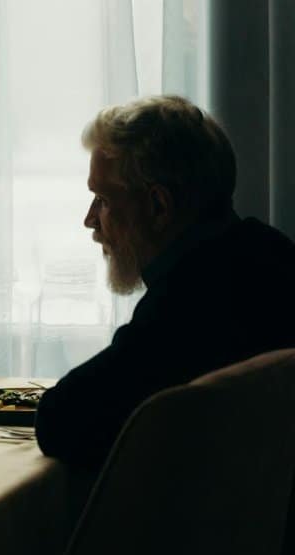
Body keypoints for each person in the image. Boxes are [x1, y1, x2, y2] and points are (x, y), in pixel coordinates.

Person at [35, 95, 295, 468]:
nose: (90, 220)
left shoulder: (191, 299)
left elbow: (62, 420)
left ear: (158, 206)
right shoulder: (272, 251)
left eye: (103, 200)